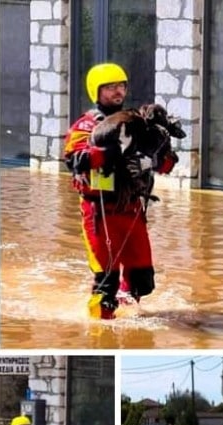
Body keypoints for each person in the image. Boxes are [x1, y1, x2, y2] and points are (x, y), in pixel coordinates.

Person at [64, 63, 161, 319]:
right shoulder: (86, 126)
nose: (117, 91)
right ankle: (101, 327)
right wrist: (111, 152)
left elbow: (166, 163)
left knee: (142, 276)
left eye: (121, 86)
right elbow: (75, 161)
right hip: (99, 212)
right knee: (106, 278)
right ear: (97, 92)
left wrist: (155, 156)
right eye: (110, 87)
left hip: (131, 208)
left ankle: (129, 317)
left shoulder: (137, 122)